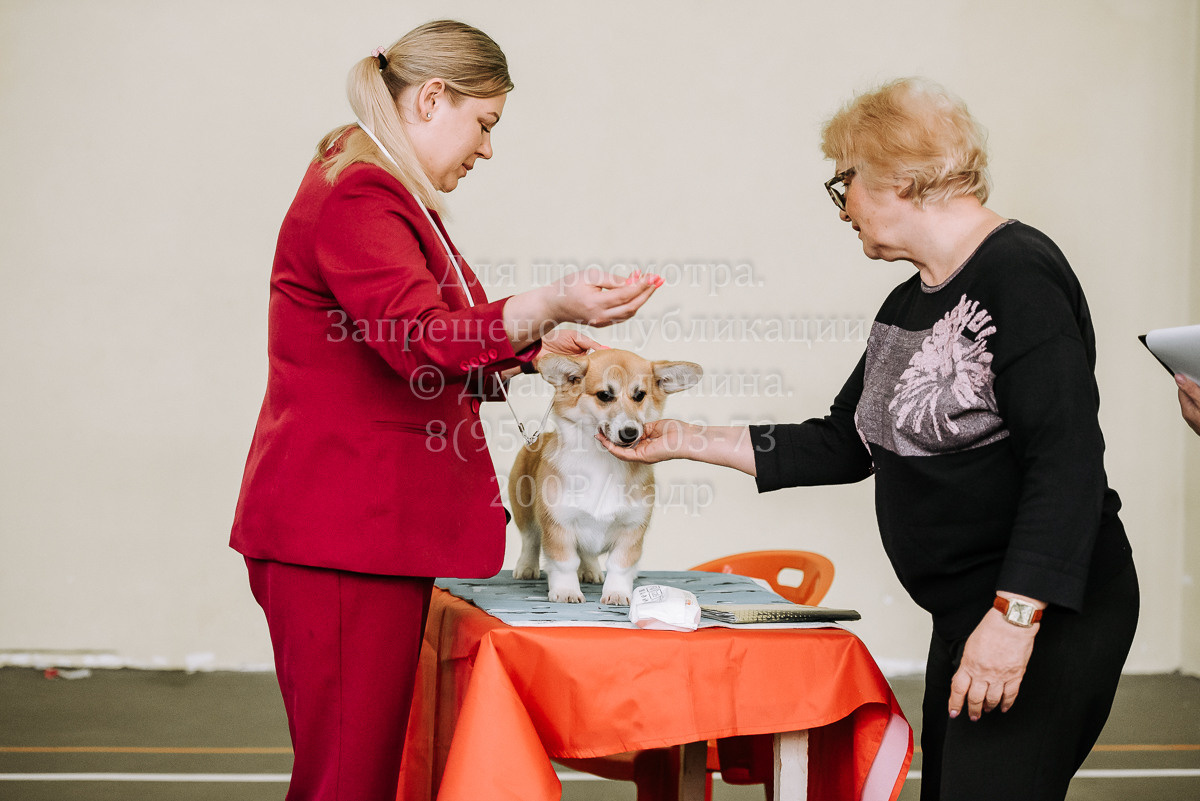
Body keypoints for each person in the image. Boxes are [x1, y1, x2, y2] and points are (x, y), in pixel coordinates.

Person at [599, 78, 1138, 801]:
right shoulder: (908, 301)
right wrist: (683, 437)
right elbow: (844, 441)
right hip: (969, 613)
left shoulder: (1020, 274)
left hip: (1040, 613)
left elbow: (1066, 462)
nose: (843, 204)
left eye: (845, 181)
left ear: (902, 177)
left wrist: (1014, 620)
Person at [230, 20, 661, 801]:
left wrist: (538, 347)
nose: (487, 148)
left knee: (362, 776)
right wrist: (545, 301)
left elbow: (428, 325)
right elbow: (420, 339)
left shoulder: (375, 182)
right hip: (339, 537)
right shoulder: (361, 192)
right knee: (345, 783)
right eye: (484, 123)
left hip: (357, 536)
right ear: (433, 98)